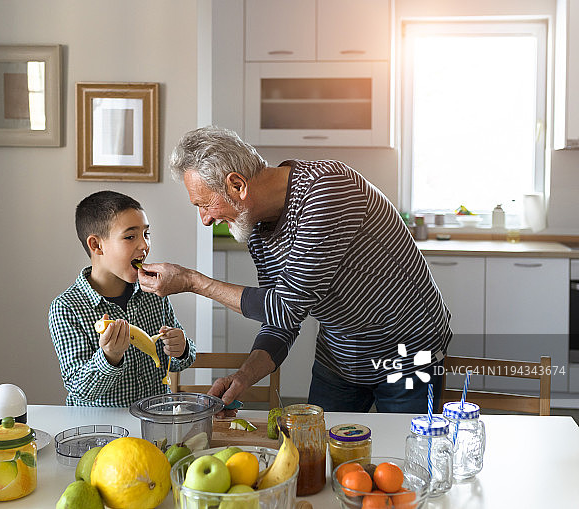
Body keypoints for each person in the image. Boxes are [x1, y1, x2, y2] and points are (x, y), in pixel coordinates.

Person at [138, 126, 452, 413]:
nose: (205, 219)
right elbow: (280, 321)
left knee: (404, 457)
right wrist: (246, 375)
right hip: (341, 354)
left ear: (236, 185)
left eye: (204, 205)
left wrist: (192, 281)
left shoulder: (327, 190)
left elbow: (285, 306)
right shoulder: (258, 231)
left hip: (406, 351)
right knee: (319, 453)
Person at [49, 190, 196, 406]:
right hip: (101, 431)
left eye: (146, 234)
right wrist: (109, 356)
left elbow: (177, 362)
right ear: (96, 245)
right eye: (130, 236)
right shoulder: (67, 307)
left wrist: (182, 348)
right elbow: (80, 388)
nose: (144, 245)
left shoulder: (154, 293)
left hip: (152, 423)